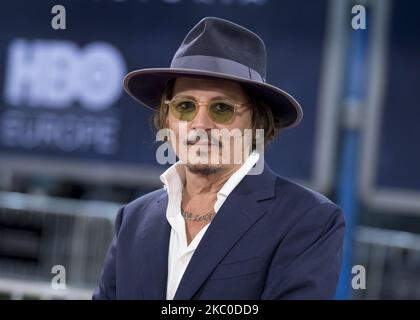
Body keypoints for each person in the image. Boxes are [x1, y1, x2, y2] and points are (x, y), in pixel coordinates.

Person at [93, 16, 345, 300]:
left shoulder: (308, 219)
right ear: (167, 119)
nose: (200, 124)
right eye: (185, 106)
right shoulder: (133, 219)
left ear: (257, 123)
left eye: (221, 108)